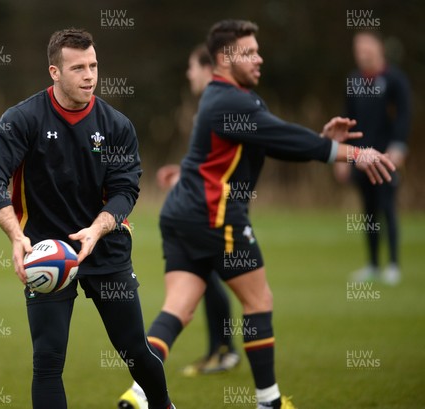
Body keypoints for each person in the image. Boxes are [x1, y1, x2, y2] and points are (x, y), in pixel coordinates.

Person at [119, 20, 395, 409]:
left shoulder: (224, 98)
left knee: (178, 306)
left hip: (181, 214)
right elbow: (282, 137)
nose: (259, 58)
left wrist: (321, 142)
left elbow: (269, 140)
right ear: (222, 60)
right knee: (258, 300)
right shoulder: (231, 101)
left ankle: (139, 393)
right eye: (248, 52)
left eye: (257, 50)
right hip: (215, 218)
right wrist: (355, 153)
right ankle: (270, 401)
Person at [0, 28, 175, 409]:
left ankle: (163, 405)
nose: (89, 76)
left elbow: (124, 192)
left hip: (105, 248)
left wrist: (97, 230)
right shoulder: (22, 119)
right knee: (47, 362)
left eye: (94, 66)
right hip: (46, 253)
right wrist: (16, 236)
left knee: (134, 349)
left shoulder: (116, 126)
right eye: (78, 67)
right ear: (54, 72)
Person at [156, 44, 240, 377]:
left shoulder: (220, 103)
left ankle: (226, 352)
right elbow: (212, 160)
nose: (189, 73)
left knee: (218, 279)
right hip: (206, 204)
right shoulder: (211, 104)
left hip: (217, 209)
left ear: (207, 68)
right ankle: (222, 350)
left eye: (192, 67)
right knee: (207, 275)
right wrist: (183, 174)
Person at [334, 31, 411, 285]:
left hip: (386, 157)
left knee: (387, 207)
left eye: (366, 47)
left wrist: (398, 146)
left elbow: (403, 116)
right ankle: (373, 265)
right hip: (359, 157)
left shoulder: (394, 80)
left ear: (379, 48)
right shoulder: (354, 80)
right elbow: (347, 119)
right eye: (358, 49)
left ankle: (393, 265)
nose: (362, 53)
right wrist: (342, 156)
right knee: (368, 212)